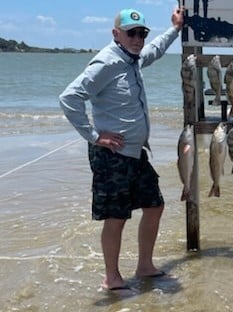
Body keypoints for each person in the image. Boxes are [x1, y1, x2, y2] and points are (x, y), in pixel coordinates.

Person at [59, 7, 184, 293]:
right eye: (132, 33)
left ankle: (144, 266)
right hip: (112, 156)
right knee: (116, 217)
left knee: (155, 206)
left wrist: (175, 29)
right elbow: (69, 98)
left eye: (142, 33)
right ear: (117, 34)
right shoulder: (107, 62)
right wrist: (93, 136)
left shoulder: (133, 59)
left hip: (135, 154)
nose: (138, 38)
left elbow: (153, 51)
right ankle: (111, 278)